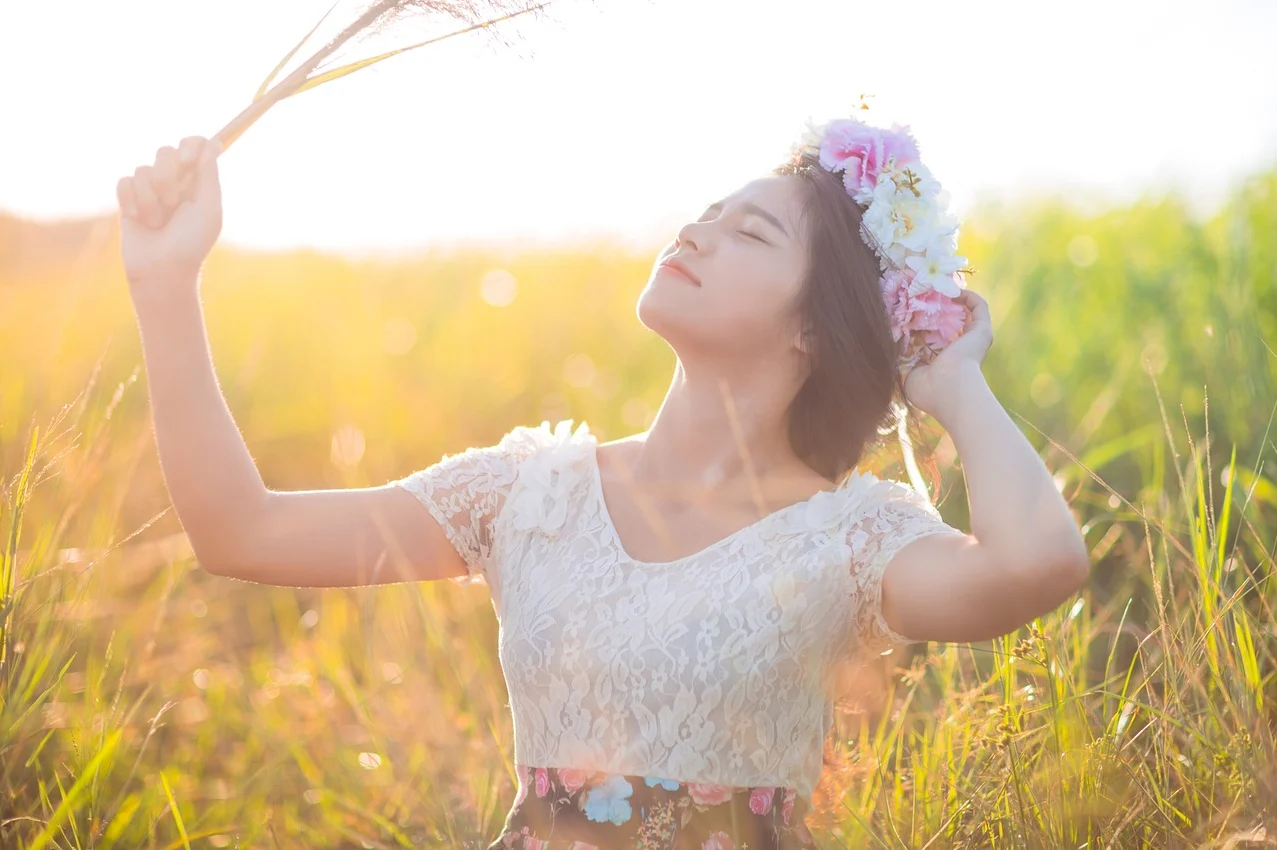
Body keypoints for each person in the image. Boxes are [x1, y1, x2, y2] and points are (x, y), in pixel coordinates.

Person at [115, 115, 1091, 849]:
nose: (696, 233)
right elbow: (240, 532)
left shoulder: (845, 538)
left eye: (748, 234)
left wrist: (948, 378)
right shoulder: (525, 494)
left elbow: (1036, 564)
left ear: (811, 329)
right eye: (705, 215)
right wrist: (164, 286)